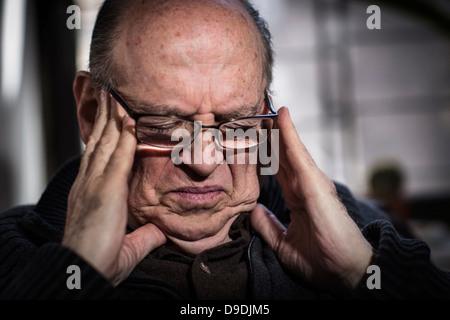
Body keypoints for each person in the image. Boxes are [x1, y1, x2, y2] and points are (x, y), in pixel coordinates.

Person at [0, 0, 449, 301]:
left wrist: (363, 274)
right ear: (90, 110)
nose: (203, 161)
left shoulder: (361, 232)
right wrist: (70, 277)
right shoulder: (11, 260)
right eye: (165, 124)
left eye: (235, 125)